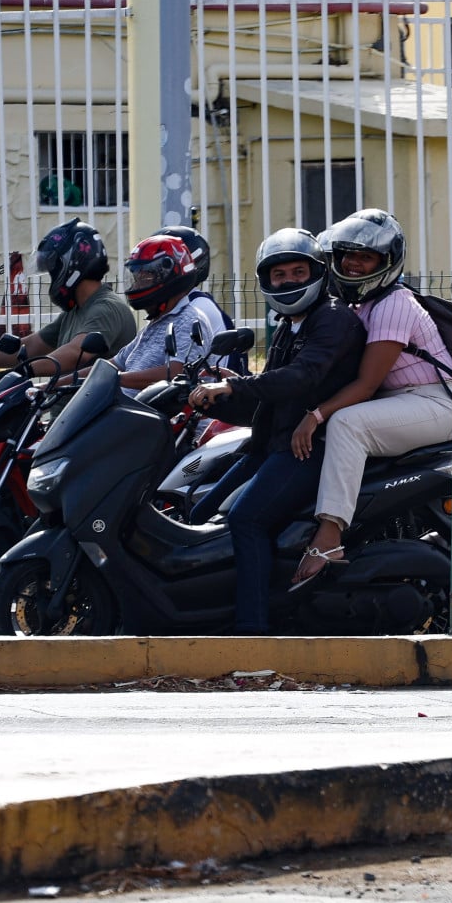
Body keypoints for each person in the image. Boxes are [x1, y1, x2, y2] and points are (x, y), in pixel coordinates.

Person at [189, 229, 366, 633]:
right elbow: (269, 393)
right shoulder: (289, 324)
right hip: (271, 445)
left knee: (246, 520)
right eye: (280, 275)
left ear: (317, 273)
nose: (289, 281)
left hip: (310, 449)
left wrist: (234, 385)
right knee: (199, 515)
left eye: (298, 271)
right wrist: (217, 391)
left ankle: (252, 628)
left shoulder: (333, 320)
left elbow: (303, 377)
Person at [288, 209, 452, 588]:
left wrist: (316, 414)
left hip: (434, 403)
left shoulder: (393, 302)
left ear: (387, 263)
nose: (353, 263)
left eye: (365, 257)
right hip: (399, 402)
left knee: (346, 423)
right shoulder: (356, 304)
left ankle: (329, 538)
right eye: (347, 254)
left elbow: (365, 385)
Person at [0, 220, 135, 376]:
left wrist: (19, 373)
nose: (52, 277)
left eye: (53, 270)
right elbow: (32, 346)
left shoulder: (106, 308)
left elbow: (75, 353)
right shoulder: (76, 311)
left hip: (92, 405)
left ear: (72, 264)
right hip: (68, 404)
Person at [111, 233, 216, 391]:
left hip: (157, 414)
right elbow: (113, 364)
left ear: (168, 276)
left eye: (143, 279)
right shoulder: (156, 323)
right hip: (125, 411)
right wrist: (67, 381)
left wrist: (115, 378)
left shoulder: (188, 320)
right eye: (136, 279)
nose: (135, 287)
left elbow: (178, 374)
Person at [157, 224, 250, 375]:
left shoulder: (197, 309)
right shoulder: (176, 306)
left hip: (210, 393)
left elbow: (175, 371)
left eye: (162, 266)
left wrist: (121, 378)